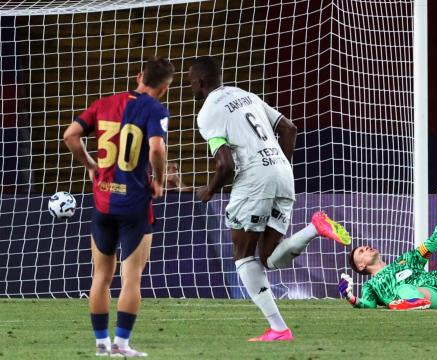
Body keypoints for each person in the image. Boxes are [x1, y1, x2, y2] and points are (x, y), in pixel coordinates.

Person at [189, 56, 351, 341]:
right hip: (283, 173)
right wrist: (280, 167)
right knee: (268, 258)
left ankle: (279, 328)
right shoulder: (246, 95)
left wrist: (210, 189)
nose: (189, 84)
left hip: (254, 179)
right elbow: (289, 128)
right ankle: (315, 227)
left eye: (190, 79)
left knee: (242, 255)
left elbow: (225, 164)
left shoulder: (207, 113)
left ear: (200, 82)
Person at [63, 57, 174, 356]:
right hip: (134, 205)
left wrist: (90, 165)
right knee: (132, 276)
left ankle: (100, 344)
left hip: (102, 202)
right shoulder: (155, 109)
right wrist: (159, 181)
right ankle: (121, 344)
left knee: (100, 275)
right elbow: (156, 148)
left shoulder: (103, 103)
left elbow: (70, 135)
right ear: (164, 88)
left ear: (139, 76)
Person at [339, 180, 437, 310]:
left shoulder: (407, 259)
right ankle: (413, 302)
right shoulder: (371, 285)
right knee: (403, 289)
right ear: (361, 266)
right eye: (361, 251)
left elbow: (434, 241)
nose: (366, 247)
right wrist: (351, 298)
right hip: (433, 297)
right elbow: (368, 305)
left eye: (364, 247)